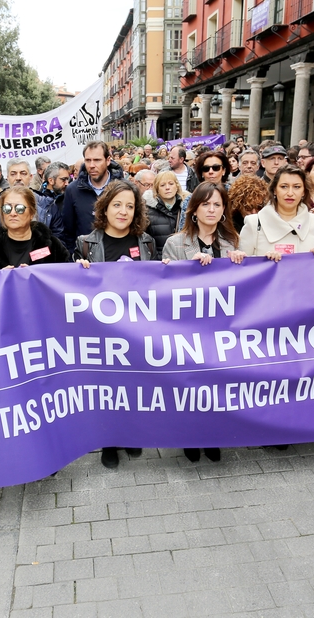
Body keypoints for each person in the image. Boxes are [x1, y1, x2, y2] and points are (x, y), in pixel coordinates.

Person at [161, 181, 246, 464]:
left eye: (217, 205)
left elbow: (244, 288)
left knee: (217, 386)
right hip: (187, 329)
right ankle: (189, 437)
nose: (211, 209)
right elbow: (161, 289)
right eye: (205, 204)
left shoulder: (231, 242)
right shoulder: (175, 243)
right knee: (189, 386)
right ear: (194, 209)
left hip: (221, 329)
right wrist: (186, 270)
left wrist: (241, 263)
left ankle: (213, 436)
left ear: (224, 210)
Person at [74, 181, 154, 470]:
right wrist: (78, 270)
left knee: (132, 384)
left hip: (134, 327)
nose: (123, 211)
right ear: (104, 208)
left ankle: (131, 433)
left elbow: (154, 285)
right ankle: (108, 439)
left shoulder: (146, 242)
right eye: (117, 205)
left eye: (130, 206)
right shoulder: (86, 243)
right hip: (101, 330)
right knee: (106, 386)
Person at [0, 186, 71, 274]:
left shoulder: (52, 245)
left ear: (32, 213)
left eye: (19, 208)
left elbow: (65, 277)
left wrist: (80, 268)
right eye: (7, 208)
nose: (12, 213)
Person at [239, 166, 314, 260]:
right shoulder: (254, 222)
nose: (290, 193)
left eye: (297, 187)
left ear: (304, 192)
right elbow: (244, 266)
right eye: (284, 187)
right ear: (274, 190)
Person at [61, 140, 125, 251]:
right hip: (85, 259)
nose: (91, 165)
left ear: (108, 160)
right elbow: (68, 231)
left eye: (97, 160)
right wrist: (75, 255)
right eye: (88, 160)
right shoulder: (73, 190)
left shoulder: (124, 188)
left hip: (117, 256)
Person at [0, 159, 64, 241]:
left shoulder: (48, 205)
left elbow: (59, 240)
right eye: (13, 174)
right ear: (7, 178)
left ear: (30, 177)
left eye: (23, 173)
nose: (18, 178)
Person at [178, 150, 231, 229]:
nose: (211, 171)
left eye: (216, 168)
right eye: (206, 169)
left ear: (223, 170)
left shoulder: (234, 195)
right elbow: (183, 230)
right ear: (202, 173)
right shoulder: (191, 199)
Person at [143, 170, 186, 259]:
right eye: (162, 185)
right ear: (157, 189)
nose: (167, 187)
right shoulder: (147, 210)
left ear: (177, 186)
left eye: (171, 184)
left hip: (182, 260)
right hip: (158, 261)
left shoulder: (186, 208)